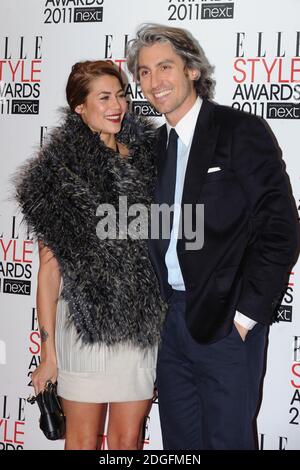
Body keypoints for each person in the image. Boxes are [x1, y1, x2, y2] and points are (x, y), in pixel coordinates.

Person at [126, 24, 299, 450]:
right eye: (144, 72)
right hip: (174, 322)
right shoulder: (156, 147)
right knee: (179, 447)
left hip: (226, 323)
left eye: (165, 67)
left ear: (192, 70)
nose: (154, 81)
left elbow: (281, 228)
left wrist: (245, 317)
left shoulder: (240, 130)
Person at [14, 60, 166, 450]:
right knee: (82, 441)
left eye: (120, 95)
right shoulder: (59, 172)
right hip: (85, 330)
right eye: (103, 97)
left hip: (140, 328)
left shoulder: (149, 161)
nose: (116, 105)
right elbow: (49, 272)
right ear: (79, 106)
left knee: (127, 441)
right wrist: (48, 353)